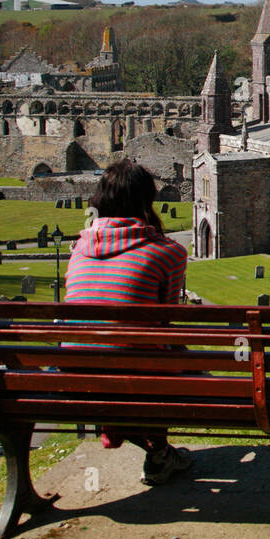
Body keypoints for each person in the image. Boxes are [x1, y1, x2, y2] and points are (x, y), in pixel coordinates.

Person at [64, 159, 193, 486]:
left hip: (76, 378)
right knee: (164, 360)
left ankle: (148, 445)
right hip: (140, 376)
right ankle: (159, 453)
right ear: (145, 200)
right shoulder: (170, 253)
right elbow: (167, 323)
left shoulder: (78, 248)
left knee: (128, 359)